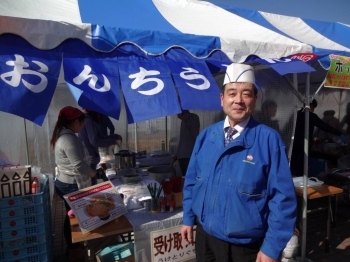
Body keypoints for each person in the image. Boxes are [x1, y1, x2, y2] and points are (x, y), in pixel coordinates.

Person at [181, 63, 297, 262]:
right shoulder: (207, 136)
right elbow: (192, 181)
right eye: (232, 93)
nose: (238, 100)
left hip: (244, 247)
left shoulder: (268, 140)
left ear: (254, 99)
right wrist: (188, 217)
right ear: (222, 99)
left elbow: (283, 198)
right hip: (205, 237)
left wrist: (271, 247)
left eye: (246, 94)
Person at [50, 106, 96, 261]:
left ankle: (73, 247)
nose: (82, 127)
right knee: (73, 217)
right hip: (70, 183)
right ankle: (75, 250)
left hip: (64, 181)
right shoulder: (68, 139)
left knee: (70, 215)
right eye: (82, 123)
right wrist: (93, 173)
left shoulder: (63, 135)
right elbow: (78, 165)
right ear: (76, 121)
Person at [290, 99, 343, 176]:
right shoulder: (311, 116)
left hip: (294, 143)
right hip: (305, 143)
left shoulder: (296, 114)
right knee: (302, 163)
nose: (313, 109)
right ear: (311, 105)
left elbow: (288, 127)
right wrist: (339, 133)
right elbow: (324, 126)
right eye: (314, 107)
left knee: (293, 161)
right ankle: (300, 178)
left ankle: (291, 176)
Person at [78, 109, 122, 185]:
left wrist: (114, 137)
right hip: (89, 159)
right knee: (92, 186)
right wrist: (112, 141)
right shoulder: (88, 121)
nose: (101, 118)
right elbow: (95, 141)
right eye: (100, 115)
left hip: (90, 158)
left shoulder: (89, 121)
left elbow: (101, 137)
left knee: (93, 184)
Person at [174, 110, 200, 176]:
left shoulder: (193, 118)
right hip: (182, 156)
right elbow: (183, 139)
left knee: (189, 176)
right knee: (184, 176)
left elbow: (192, 125)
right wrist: (177, 154)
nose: (177, 114)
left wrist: (183, 115)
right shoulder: (183, 122)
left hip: (189, 155)